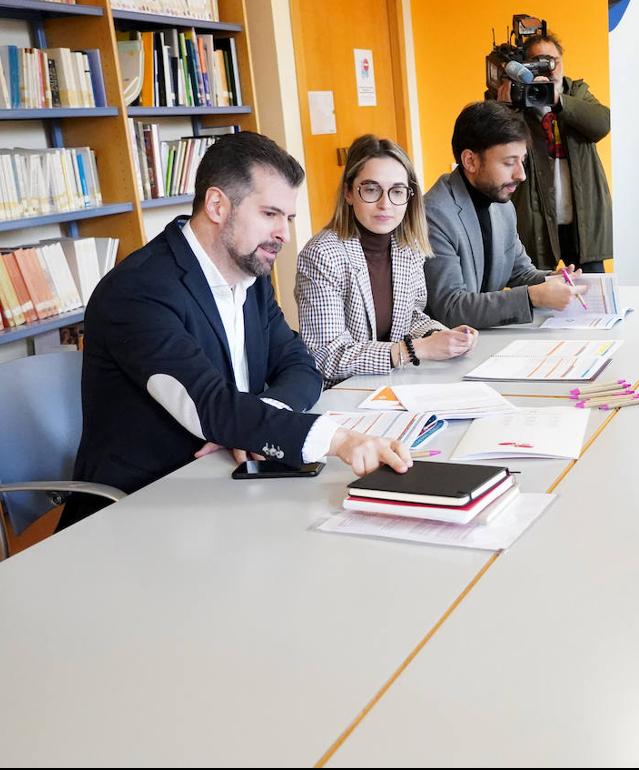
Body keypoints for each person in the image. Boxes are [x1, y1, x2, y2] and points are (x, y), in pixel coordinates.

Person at [64, 133, 411, 530]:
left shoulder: (250, 275)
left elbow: (301, 366)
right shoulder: (138, 291)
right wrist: (339, 440)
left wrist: (252, 424)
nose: (284, 233)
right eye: (270, 214)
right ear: (217, 205)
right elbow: (209, 407)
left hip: (231, 486)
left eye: (289, 218)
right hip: (144, 507)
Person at [296, 135, 477, 385]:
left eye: (397, 191)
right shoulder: (322, 255)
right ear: (349, 193)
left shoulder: (408, 247)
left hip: (393, 383)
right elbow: (327, 357)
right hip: (344, 393)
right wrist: (415, 350)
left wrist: (441, 335)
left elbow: (410, 316)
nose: (385, 204)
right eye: (371, 189)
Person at [423, 100, 586, 329]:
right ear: (470, 160)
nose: (521, 175)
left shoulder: (502, 204)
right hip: (447, 346)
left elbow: (520, 271)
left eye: (522, 161)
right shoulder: (434, 215)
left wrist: (553, 279)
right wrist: (532, 297)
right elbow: (450, 308)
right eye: (509, 163)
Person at [499, 30, 612, 273]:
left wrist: (559, 101)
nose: (549, 68)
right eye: (539, 62)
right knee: (541, 294)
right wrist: (505, 105)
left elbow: (602, 123)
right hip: (537, 220)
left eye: (553, 61)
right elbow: (496, 144)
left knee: (591, 293)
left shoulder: (577, 93)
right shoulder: (519, 102)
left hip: (582, 219)